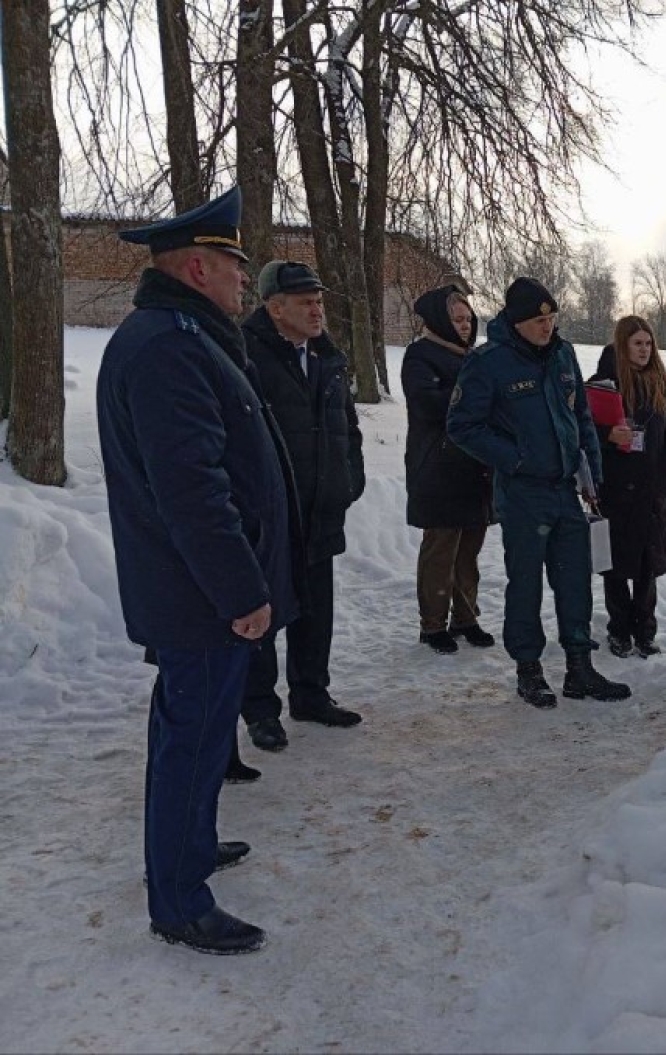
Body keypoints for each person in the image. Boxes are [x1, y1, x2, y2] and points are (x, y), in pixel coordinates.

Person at [97, 186, 297, 954]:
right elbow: (192, 489)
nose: (244, 280)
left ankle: (193, 840)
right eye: (232, 266)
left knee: (195, 729)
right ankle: (179, 899)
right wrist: (242, 591)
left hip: (194, 588)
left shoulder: (181, 335)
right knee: (193, 732)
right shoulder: (170, 346)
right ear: (193, 267)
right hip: (200, 593)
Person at [446, 277, 630, 708]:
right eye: (538, 321)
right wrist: (515, 458)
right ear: (516, 321)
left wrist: (592, 472)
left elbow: (581, 415)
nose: (547, 328)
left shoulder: (563, 355)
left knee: (574, 580)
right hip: (523, 492)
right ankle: (528, 670)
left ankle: (579, 667)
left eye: (551, 319)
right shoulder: (489, 363)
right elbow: (462, 426)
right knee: (525, 584)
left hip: (565, 488)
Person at [237, 260, 365, 753]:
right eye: (306, 302)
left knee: (316, 609)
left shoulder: (328, 355)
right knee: (265, 615)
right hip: (270, 512)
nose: (317, 311)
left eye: (319, 301)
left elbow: (346, 426)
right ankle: (260, 711)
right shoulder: (246, 354)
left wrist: (347, 478)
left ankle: (311, 694)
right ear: (275, 308)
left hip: (321, 505)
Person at [402, 283, 496, 655]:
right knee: (441, 547)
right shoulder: (420, 355)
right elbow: (428, 404)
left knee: (470, 547)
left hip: (474, 465)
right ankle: (433, 624)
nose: (464, 325)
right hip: (437, 464)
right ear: (440, 320)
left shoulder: (473, 357)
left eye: (468, 319)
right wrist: (472, 395)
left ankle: (465, 618)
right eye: (456, 319)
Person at [587, 317, 666, 659]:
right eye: (637, 344)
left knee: (648, 566)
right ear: (622, 345)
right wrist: (608, 437)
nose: (644, 350)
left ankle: (645, 631)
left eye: (648, 343)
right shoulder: (603, 384)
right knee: (615, 565)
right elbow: (581, 431)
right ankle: (619, 630)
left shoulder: (662, 382)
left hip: (653, 489)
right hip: (616, 490)